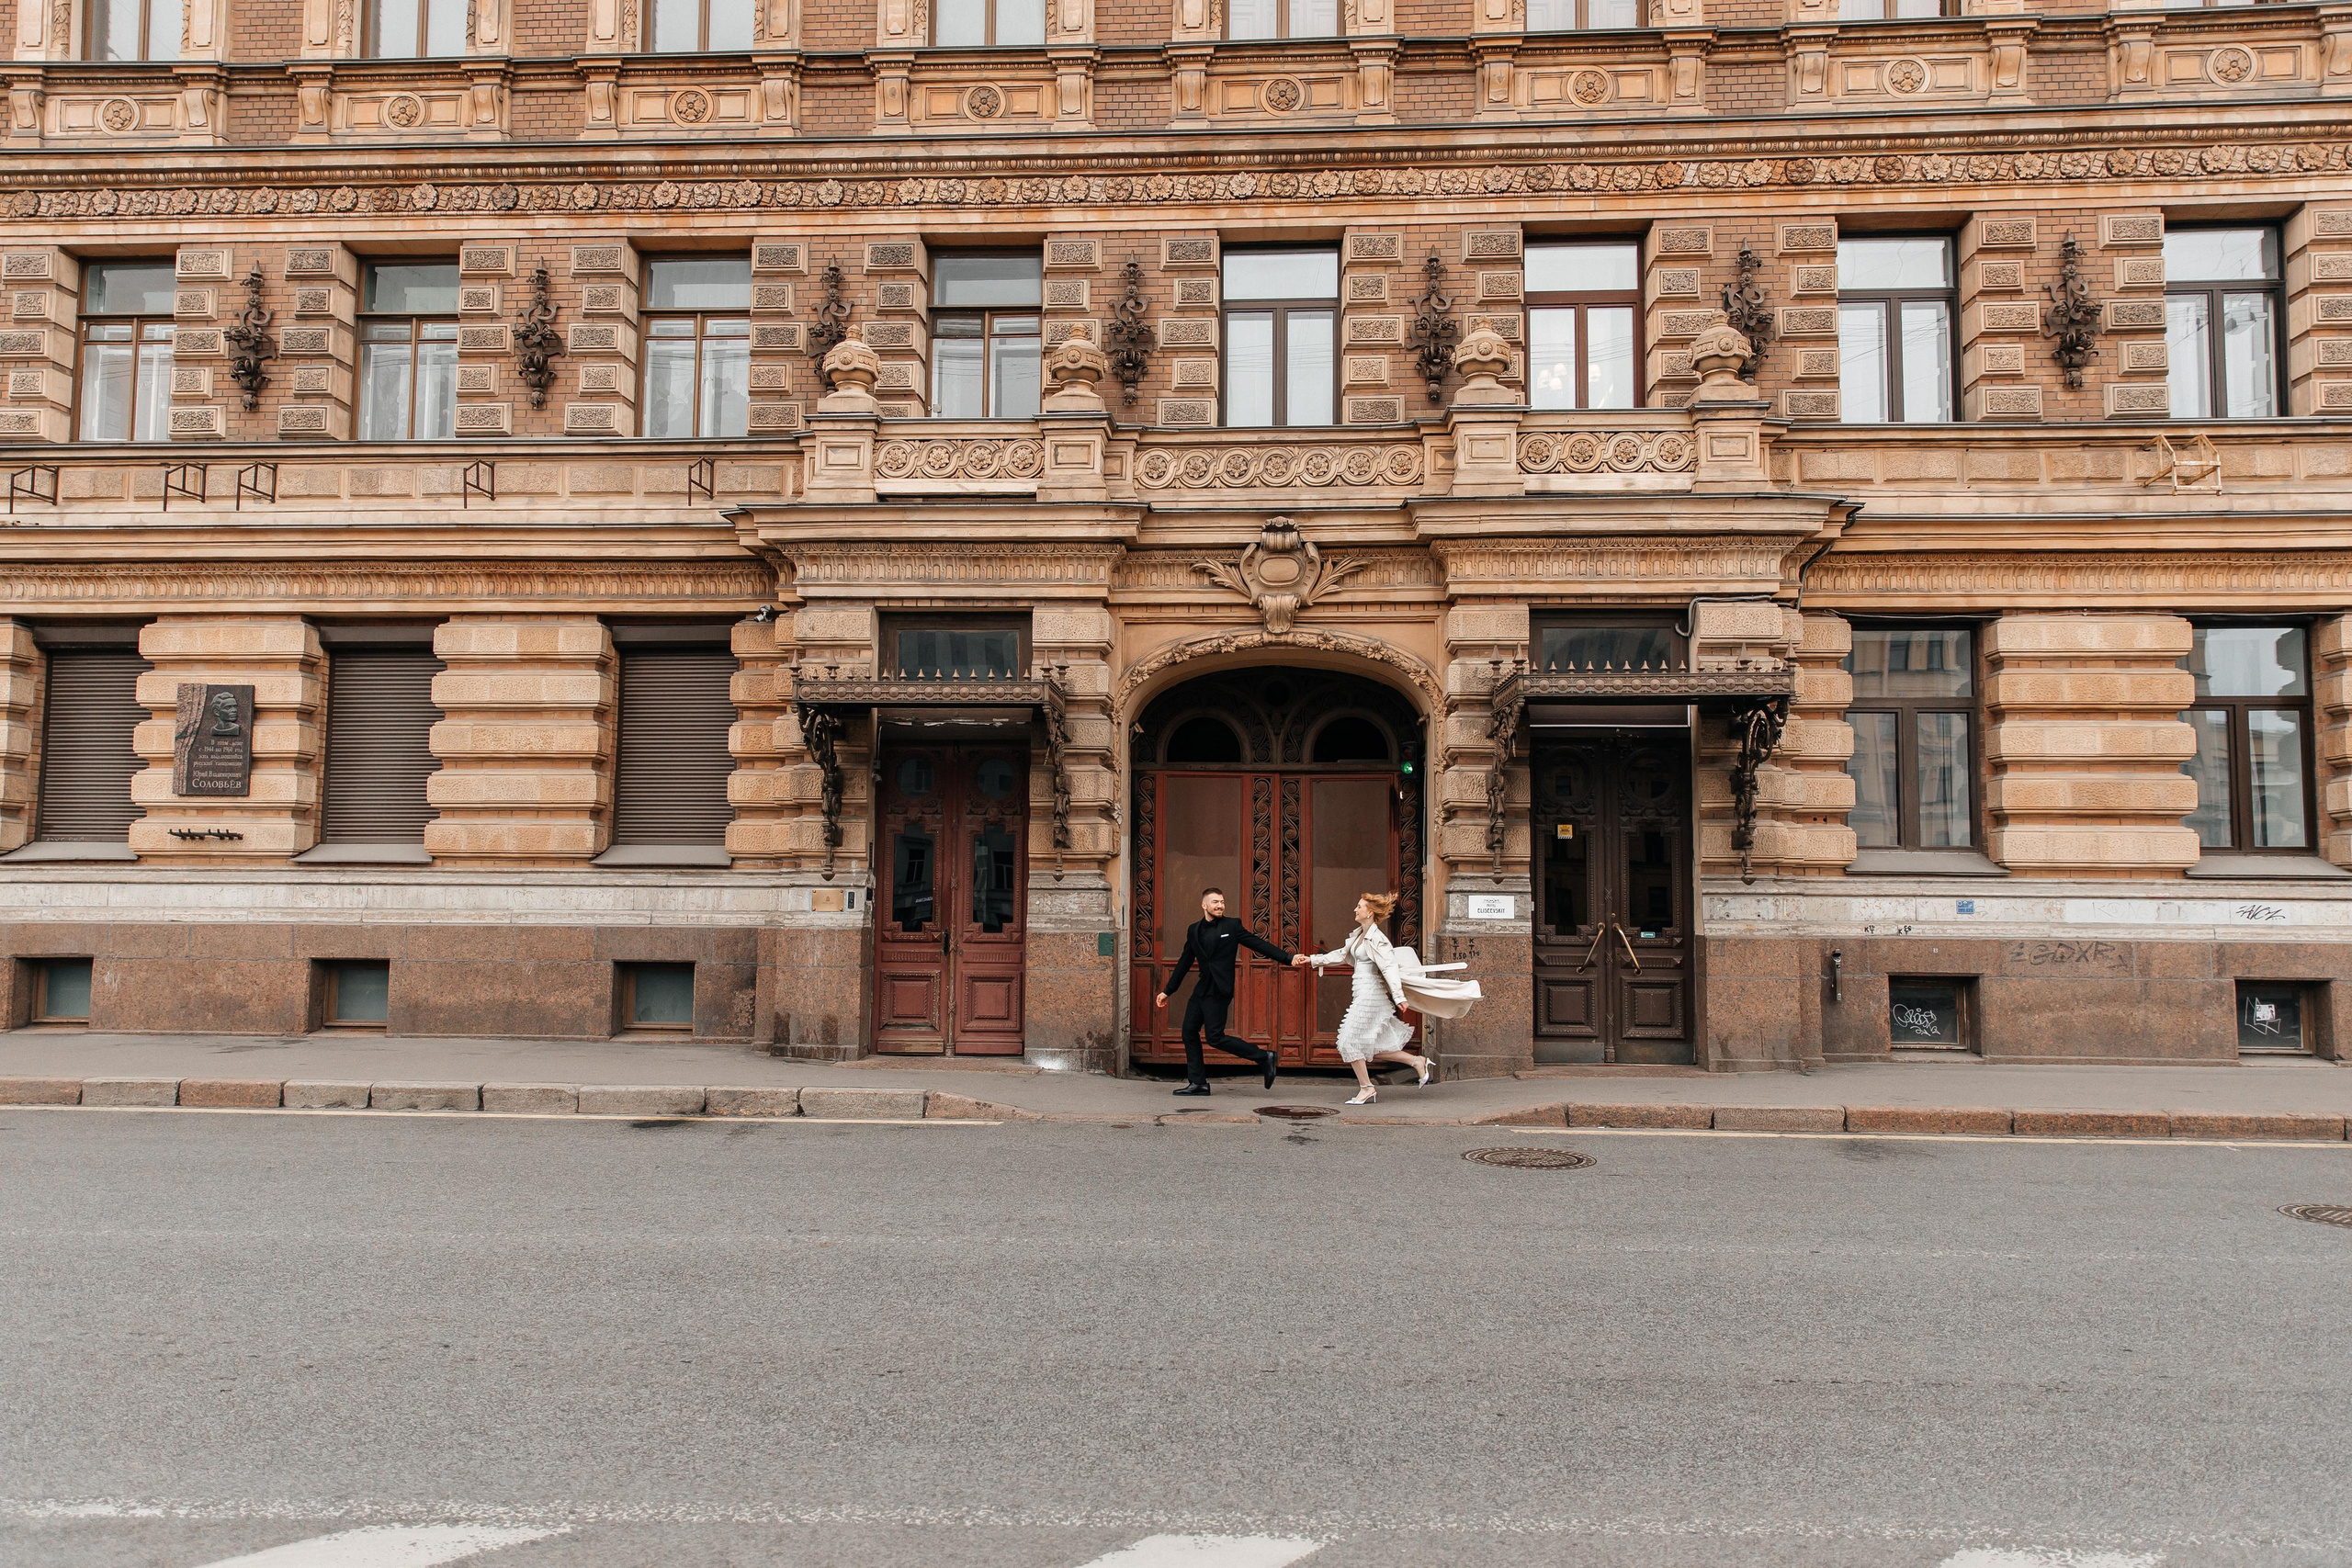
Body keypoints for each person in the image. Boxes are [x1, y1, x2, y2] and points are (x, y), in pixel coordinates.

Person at [1305, 892, 1480, 1106]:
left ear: (1370, 912)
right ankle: (1417, 1061)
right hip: (1362, 992)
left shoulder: (1378, 939)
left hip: (1371, 996)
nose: (1355, 909)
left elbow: (1389, 968)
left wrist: (1399, 997)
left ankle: (1367, 1088)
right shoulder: (1360, 934)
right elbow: (1341, 954)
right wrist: (1312, 959)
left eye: (1359, 906)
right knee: (1372, 1046)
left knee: (1348, 1041)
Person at [1154, 886, 1307, 1096]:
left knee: (1215, 1037)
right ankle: (1198, 1083)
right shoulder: (1194, 929)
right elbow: (1184, 962)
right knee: (1188, 1032)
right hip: (1202, 989)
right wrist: (1168, 991)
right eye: (1215, 902)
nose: (1220, 906)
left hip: (1219, 989)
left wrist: (1288, 958)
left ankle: (1264, 1057)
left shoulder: (1231, 925)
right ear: (1204, 905)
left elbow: (1257, 944)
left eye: (1222, 902)